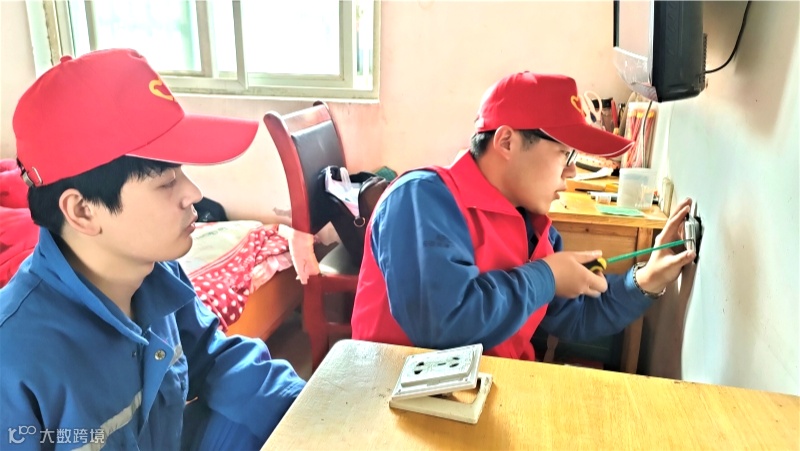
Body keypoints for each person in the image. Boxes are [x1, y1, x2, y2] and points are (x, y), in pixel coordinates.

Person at [0, 49, 305, 450]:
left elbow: (212, 356)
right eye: (166, 182)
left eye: (181, 172)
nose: (194, 193)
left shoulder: (155, 274)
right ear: (83, 211)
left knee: (263, 417)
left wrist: (318, 407)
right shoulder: (14, 358)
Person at [351, 71, 696, 361]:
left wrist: (646, 279)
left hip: (486, 393)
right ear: (506, 142)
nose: (573, 172)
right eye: (565, 154)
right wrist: (547, 276)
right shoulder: (421, 200)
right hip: (395, 400)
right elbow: (443, 324)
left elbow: (574, 314)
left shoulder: (533, 226)